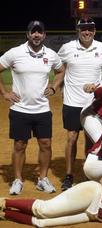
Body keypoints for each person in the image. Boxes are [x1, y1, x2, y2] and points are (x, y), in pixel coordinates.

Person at [0, 20, 65, 195]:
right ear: (28, 34)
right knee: (19, 145)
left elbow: (61, 70)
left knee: (45, 144)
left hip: (42, 109)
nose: (36, 35)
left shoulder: (51, 54)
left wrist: (53, 87)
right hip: (20, 109)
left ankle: (42, 179)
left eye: (40, 32)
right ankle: (18, 179)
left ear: (44, 35)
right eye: (33, 32)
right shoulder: (15, 52)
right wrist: (5, 93)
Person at [57, 16, 102, 191]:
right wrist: (59, 85)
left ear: (95, 31)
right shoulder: (67, 48)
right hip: (72, 101)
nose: (87, 32)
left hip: (93, 103)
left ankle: (88, 174)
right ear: (78, 30)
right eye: (83, 29)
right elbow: (58, 67)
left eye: (90, 28)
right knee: (71, 138)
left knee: (91, 140)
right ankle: (68, 175)